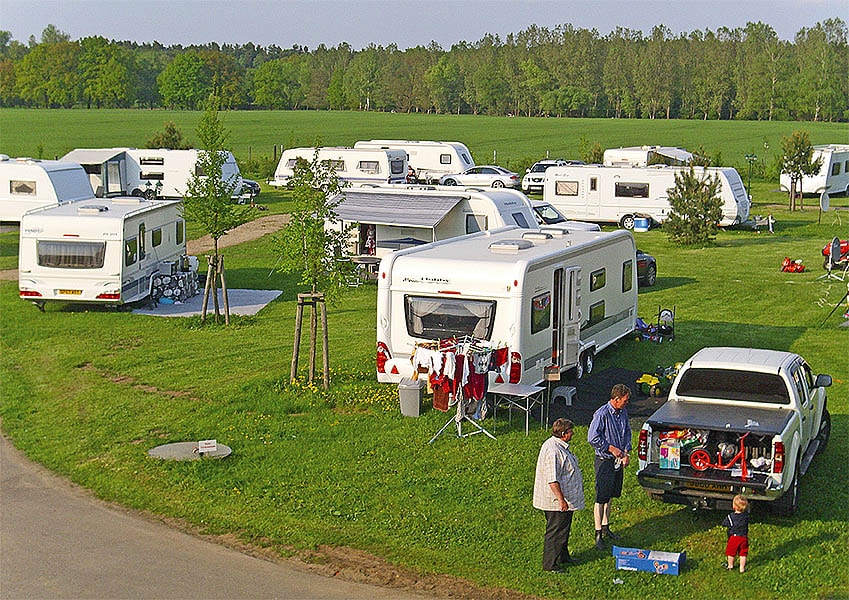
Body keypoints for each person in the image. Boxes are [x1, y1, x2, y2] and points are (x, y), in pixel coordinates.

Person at [533, 418, 585, 572]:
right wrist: (561, 500)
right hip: (555, 501)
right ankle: (550, 564)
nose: (573, 433)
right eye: (570, 431)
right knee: (555, 532)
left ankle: (563, 556)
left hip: (562, 500)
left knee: (564, 529)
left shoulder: (558, 446)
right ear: (563, 434)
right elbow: (552, 479)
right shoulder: (553, 450)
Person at [588, 383, 632, 550]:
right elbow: (592, 437)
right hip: (604, 460)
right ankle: (598, 532)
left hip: (618, 461)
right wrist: (610, 448)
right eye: (625, 400)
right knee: (601, 497)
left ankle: (606, 527)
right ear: (616, 399)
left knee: (611, 495)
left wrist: (626, 452)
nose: (626, 403)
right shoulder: (601, 414)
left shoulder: (623, 412)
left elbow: (627, 432)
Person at [723, 494, 750, 573]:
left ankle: (730, 565)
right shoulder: (746, 516)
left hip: (734, 537)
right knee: (743, 553)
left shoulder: (731, 517)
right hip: (744, 538)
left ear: (734, 506)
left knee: (731, 553)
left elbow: (724, 523)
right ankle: (742, 568)